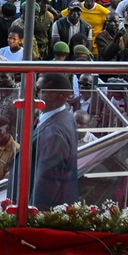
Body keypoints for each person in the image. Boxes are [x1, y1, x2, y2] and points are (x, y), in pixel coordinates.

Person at [31, 73, 79, 209]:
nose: (35, 94)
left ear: (58, 96)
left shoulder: (55, 134)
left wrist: (33, 213)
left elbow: (47, 182)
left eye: (40, 90)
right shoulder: (63, 116)